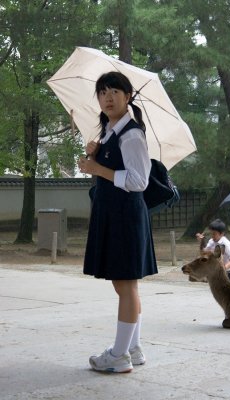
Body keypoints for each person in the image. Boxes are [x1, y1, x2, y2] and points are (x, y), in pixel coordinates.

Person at [78, 71, 158, 373]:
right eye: (102, 92)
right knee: (124, 284)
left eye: (114, 92)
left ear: (128, 96)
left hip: (125, 216)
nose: (108, 98)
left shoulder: (132, 134)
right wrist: (94, 157)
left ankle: (119, 356)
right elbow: (111, 168)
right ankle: (132, 348)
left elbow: (139, 181)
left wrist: (98, 168)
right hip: (116, 214)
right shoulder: (112, 131)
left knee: (126, 284)